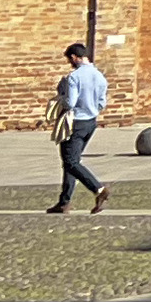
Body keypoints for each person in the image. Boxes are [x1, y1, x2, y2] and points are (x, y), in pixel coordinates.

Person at [49, 40, 113, 214]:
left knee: (70, 161)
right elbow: (102, 102)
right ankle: (64, 202)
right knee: (72, 161)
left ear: (74, 58)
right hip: (91, 122)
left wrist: (61, 94)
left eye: (70, 60)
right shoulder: (100, 76)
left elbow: (70, 102)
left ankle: (98, 189)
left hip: (75, 122)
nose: (70, 63)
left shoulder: (74, 77)